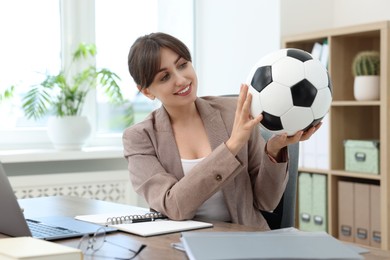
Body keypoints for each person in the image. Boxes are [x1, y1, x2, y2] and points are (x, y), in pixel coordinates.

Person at [123, 32, 320, 230]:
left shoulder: (235, 112)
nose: (181, 80)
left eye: (183, 65)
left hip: (244, 238)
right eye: (165, 77)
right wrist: (232, 146)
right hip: (179, 243)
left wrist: (274, 150)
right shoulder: (139, 138)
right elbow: (174, 207)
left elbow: (266, 202)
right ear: (147, 91)